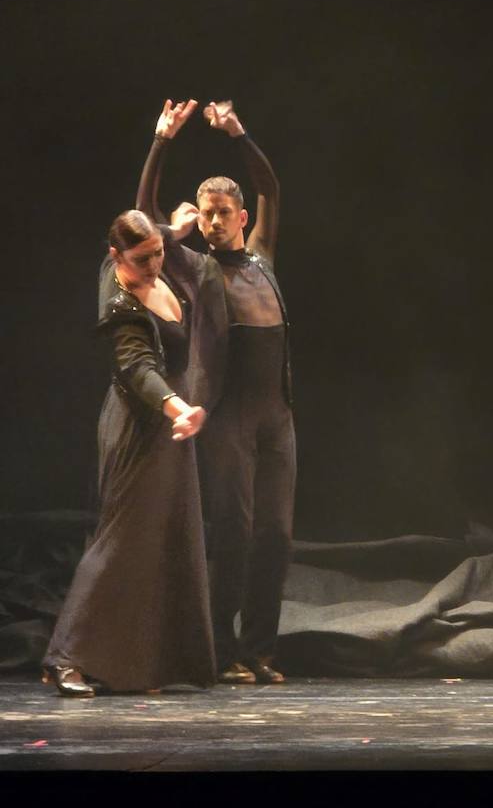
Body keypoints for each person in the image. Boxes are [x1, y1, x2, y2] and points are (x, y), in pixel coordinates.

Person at [136, 99, 296, 685]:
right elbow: (147, 215)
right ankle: (223, 650)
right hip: (227, 416)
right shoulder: (193, 267)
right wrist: (161, 142)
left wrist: (239, 132)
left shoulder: (264, 256)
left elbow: (269, 185)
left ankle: (260, 649)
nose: (214, 222)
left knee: (276, 536)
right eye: (207, 214)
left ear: (243, 217)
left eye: (225, 212)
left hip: (276, 418)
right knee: (235, 533)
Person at [42, 210, 215, 695]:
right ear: (116, 258)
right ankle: (66, 656)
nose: (156, 264)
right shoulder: (120, 306)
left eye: (159, 253)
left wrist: (174, 230)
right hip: (142, 424)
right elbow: (137, 368)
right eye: (143, 259)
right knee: (120, 540)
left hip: (170, 429)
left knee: (165, 538)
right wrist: (179, 408)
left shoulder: (135, 252)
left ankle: (147, 662)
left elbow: (151, 231)